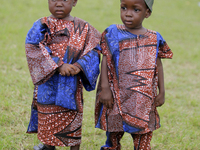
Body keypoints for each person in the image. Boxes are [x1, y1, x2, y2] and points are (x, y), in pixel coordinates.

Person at [95, 0, 173, 149]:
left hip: (143, 98)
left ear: (147, 13)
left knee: (143, 134)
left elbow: (158, 66)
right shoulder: (112, 32)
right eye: (124, 8)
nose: (128, 13)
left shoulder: (154, 38)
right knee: (113, 132)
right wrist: (104, 88)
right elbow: (105, 58)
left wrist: (162, 92)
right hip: (116, 96)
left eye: (135, 10)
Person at [25, 0, 101, 149]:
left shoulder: (84, 27)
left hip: (72, 84)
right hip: (48, 84)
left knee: (73, 116)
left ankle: (74, 146)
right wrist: (58, 65)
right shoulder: (42, 24)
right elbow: (33, 46)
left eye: (64, 0)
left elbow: (95, 48)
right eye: (54, 0)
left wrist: (80, 66)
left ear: (74, 2)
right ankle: (48, 145)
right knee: (47, 115)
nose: (58, 4)